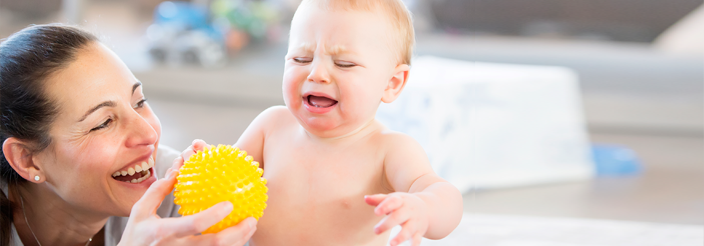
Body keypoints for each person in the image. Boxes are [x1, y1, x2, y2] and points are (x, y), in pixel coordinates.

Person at [190, 0, 463, 245]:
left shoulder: (389, 150)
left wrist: (424, 208)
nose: (317, 73)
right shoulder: (270, 127)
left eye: (344, 63)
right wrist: (204, 166)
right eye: (301, 58)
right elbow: (227, 181)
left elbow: (445, 197)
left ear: (391, 84)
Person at [0, 24, 256, 246]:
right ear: (27, 159)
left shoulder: (181, 195)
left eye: (139, 102)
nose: (149, 133)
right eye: (103, 123)